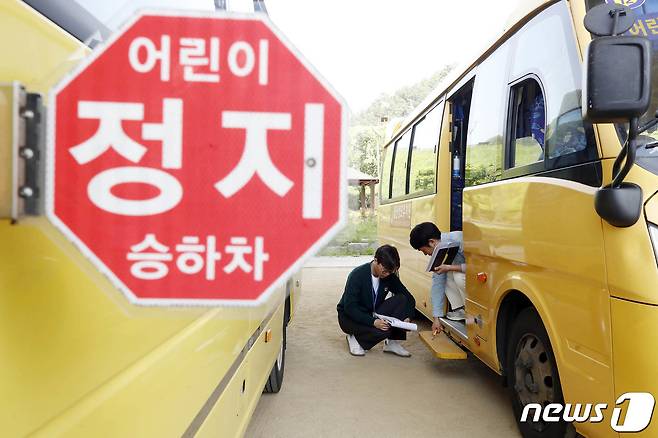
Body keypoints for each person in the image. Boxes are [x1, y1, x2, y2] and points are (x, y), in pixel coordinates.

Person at [337, 245, 416, 357]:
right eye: (384, 270)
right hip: (349, 318)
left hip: (372, 312)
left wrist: (407, 317)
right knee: (383, 330)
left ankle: (391, 343)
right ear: (375, 260)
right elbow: (350, 308)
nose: (387, 274)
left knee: (401, 299)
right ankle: (355, 338)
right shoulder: (357, 275)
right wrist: (373, 322)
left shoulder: (389, 276)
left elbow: (409, 298)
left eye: (390, 272)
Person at [409, 222, 467, 335]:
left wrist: (451, 267)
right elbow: (438, 284)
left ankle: (472, 311)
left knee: (457, 275)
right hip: (468, 277)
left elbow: (479, 267)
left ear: (431, 242)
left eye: (423, 250)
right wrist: (436, 318)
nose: (425, 254)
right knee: (444, 273)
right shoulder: (440, 248)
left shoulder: (461, 239)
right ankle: (462, 310)